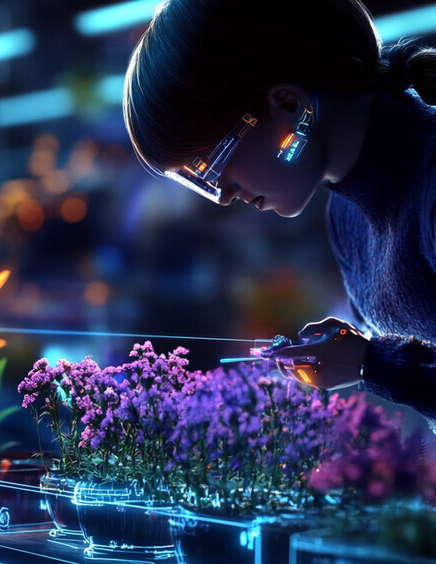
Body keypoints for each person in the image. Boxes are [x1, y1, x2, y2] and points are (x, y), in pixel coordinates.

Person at [122, 0, 436, 429]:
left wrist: (373, 364)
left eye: (209, 165)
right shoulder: (347, 219)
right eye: (194, 180)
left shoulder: (428, 188)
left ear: (290, 106)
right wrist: (364, 358)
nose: (220, 196)